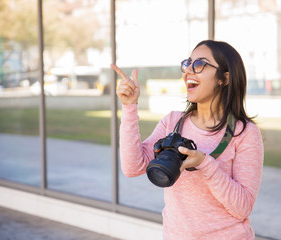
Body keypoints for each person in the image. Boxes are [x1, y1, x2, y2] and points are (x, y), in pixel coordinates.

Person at [111, 40, 264, 240]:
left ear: (224, 78)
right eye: (187, 64)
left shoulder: (245, 133)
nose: (188, 72)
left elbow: (242, 208)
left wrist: (205, 164)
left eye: (199, 65)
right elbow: (132, 167)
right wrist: (130, 107)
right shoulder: (173, 123)